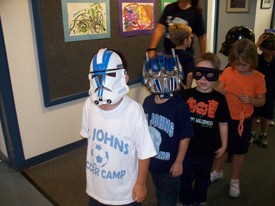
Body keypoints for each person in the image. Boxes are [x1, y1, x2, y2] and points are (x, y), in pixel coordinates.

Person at [80, 48, 157, 206]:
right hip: (96, 189)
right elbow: (90, 139)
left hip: (125, 193)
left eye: (108, 76)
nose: (102, 83)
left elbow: (145, 151)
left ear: (124, 77)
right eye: (98, 76)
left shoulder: (133, 111)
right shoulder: (89, 105)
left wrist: (141, 183)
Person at [210, 39, 266, 198]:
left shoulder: (258, 78)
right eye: (236, 64)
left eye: (244, 64)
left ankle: (235, 179)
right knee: (222, 148)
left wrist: (251, 100)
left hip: (243, 121)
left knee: (239, 152)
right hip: (224, 119)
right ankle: (218, 171)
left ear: (252, 61)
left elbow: (262, 101)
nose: (239, 68)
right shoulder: (229, 71)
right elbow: (219, 87)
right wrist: (219, 90)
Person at [142, 50, 193, 206]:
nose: (162, 82)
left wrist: (179, 162)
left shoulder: (179, 106)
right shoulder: (148, 101)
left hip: (170, 165)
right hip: (153, 162)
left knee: (167, 198)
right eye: (157, 77)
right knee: (159, 190)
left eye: (167, 77)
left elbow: (185, 136)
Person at [179, 53, 230, 206]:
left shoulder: (219, 99)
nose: (203, 79)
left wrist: (224, 145)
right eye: (199, 74)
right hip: (187, 148)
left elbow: (223, 123)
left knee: (203, 178)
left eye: (209, 75)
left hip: (207, 149)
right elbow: (179, 120)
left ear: (216, 75)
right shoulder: (186, 95)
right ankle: (185, 200)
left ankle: (200, 199)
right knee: (185, 177)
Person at [250, 31, 275, 148]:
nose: (270, 51)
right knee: (255, 114)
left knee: (266, 115)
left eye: (272, 49)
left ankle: (263, 134)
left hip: (271, 92)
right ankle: (251, 133)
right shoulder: (257, 59)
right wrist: (257, 43)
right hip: (257, 92)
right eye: (267, 48)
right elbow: (247, 55)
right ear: (261, 48)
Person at [168, 23, 195, 89]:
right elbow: (190, 74)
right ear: (185, 41)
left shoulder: (168, 54)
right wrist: (187, 87)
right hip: (181, 90)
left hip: (169, 88)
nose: (191, 39)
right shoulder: (189, 57)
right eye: (190, 37)